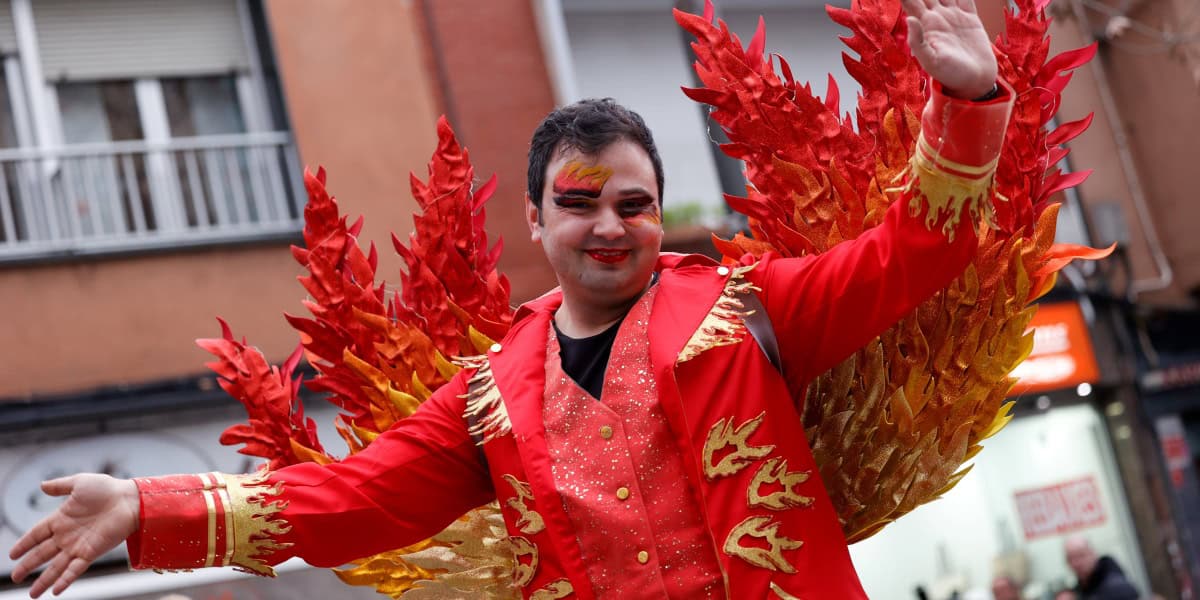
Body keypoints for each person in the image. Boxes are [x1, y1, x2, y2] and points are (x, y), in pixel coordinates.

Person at [8, 0, 1013, 598]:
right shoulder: (491, 395)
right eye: (581, 205)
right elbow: (351, 499)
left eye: (636, 203)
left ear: (662, 215)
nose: (610, 225)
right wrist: (145, 503)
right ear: (534, 223)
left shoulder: (750, 311)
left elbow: (911, 253)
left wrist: (965, 106)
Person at [1065, 536, 1140, 600]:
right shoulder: (1080, 591)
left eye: (1081, 555)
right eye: (1071, 558)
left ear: (1093, 554)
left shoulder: (1117, 587)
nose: (1077, 563)